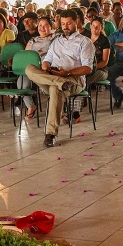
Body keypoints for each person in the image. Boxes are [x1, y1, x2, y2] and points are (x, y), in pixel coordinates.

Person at [25, 9, 94, 147]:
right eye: (63, 24)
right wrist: (46, 68)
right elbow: (47, 60)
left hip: (74, 79)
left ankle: (50, 134)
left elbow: (88, 68)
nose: (66, 27)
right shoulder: (56, 42)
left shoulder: (85, 42)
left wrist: (68, 73)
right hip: (55, 77)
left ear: (76, 22)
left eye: (69, 23)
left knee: (56, 90)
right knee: (29, 69)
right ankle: (60, 83)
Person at [20, 16, 56, 121]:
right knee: (21, 84)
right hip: (33, 68)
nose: (42, 28)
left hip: (48, 68)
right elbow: (26, 55)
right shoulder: (33, 40)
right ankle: (31, 106)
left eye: (45, 26)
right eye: (40, 25)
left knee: (52, 87)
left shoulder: (56, 37)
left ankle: (58, 109)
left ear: (51, 26)